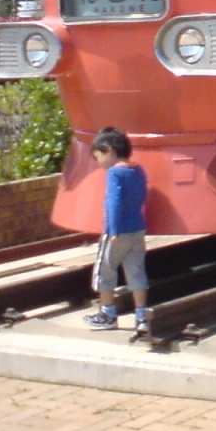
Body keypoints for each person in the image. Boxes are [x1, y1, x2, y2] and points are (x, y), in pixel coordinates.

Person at [83, 127, 149, 332]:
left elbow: (114, 202)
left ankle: (108, 314)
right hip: (137, 229)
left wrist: (114, 230)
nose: (98, 162)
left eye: (98, 156)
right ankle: (141, 317)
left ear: (109, 150)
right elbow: (143, 196)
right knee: (136, 272)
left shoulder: (114, 173)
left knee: (105, 271)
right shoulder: (138, 169)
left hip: (117, 233)